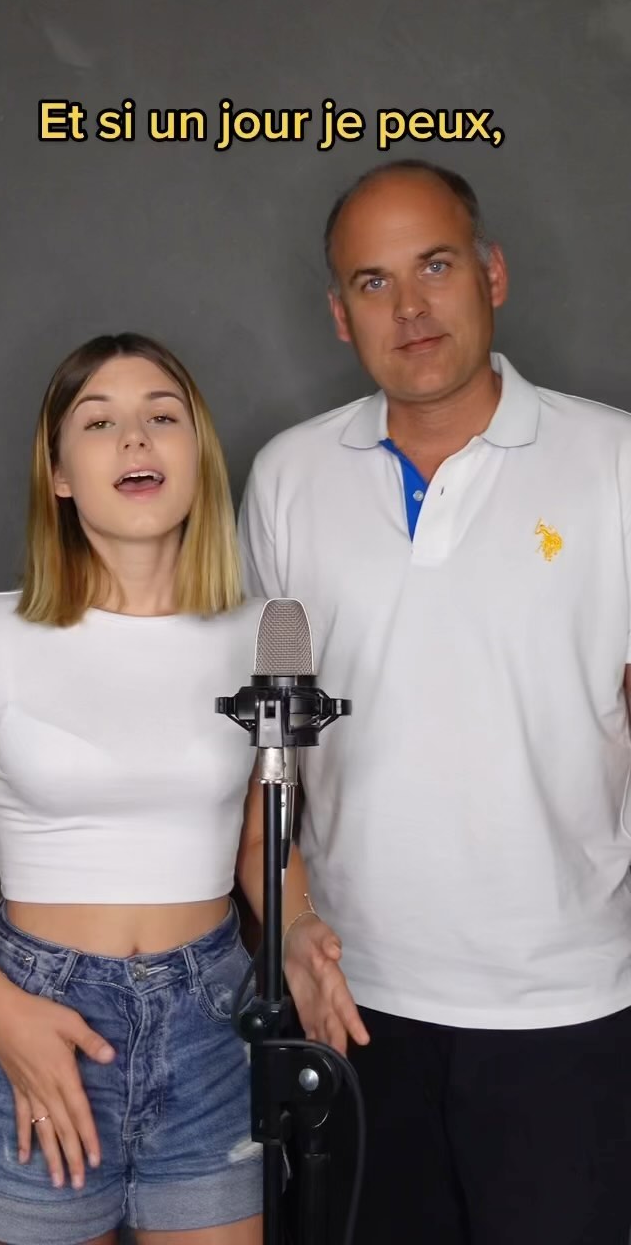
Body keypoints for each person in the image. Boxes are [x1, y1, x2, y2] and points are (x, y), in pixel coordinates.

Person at [237, 159, 631, 1245]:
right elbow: (263, 757)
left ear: (492, 274)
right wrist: (294, 927)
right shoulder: (288, 476)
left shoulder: (614, 461)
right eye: (373, 282)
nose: (409, 307)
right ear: (339, 313)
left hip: (569, 1007)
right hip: (354, 1004)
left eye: (436, 266)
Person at [0, 331, 369, 1245]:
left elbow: (259, 842)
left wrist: (298, 929)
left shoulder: (263, 634)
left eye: (163, 417)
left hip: (210, 1025)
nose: (135, 438)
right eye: (99, 422)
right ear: (58, 475)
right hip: (38, 1014)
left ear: (197, 456)